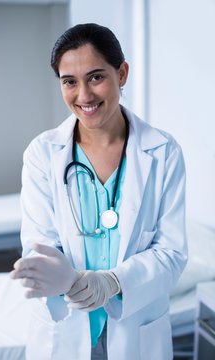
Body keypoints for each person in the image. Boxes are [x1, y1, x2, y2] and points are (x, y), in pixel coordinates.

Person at [10, 23, 187, 360]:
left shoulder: (163, 152)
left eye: (96, 77)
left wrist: (112, 281)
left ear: (121, 73)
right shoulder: (43, 153)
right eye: (69, 82)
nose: (84, 96)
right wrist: (59, 277)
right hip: (66, 323)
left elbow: (172, 253)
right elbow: (40, 243)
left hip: (137, 326)